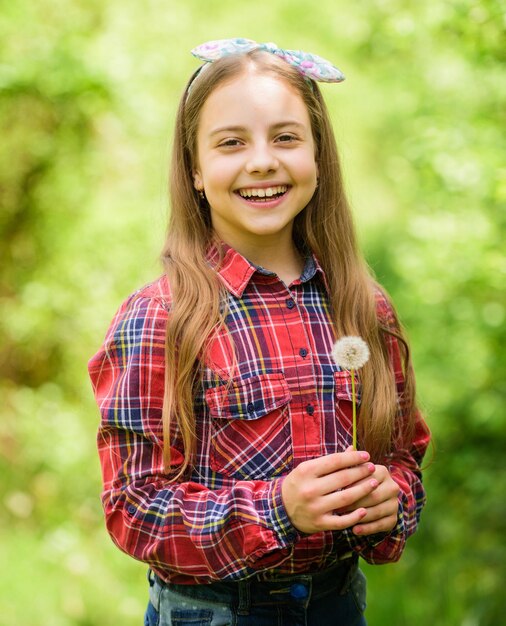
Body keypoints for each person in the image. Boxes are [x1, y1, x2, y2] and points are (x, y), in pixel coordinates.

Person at [88, 38, 431, 626]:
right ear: (195, 171)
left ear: (318, 157)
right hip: (215, 613)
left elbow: (404, 455)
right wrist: (278, 510)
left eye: (286, 137)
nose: (262, 161)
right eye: (231, 144)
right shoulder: (160, 320)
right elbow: (133, 508)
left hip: (339, 604)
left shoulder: (363, 309)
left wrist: (389, 502)